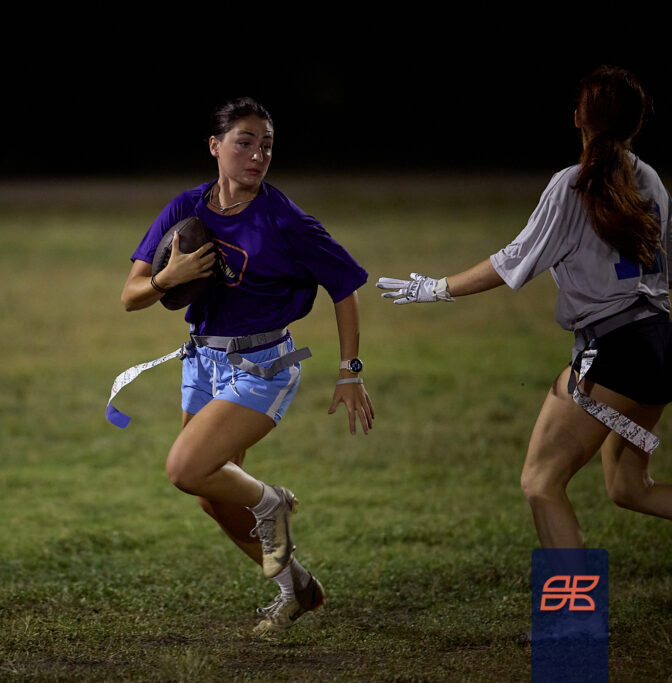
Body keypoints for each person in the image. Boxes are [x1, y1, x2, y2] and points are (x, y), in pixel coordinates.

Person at [377, 65, 672, 548]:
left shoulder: (573, 184)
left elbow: (512, 262)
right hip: (658, 348)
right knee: (629, 488)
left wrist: (435, 288)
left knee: (541, 482)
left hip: (615, 354)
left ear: (579, 117)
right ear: (636, 124)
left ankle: (573, 603)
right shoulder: (652, 180)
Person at [120, 97, 374, 634]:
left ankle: (270, 500)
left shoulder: (285, 220)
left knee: (185, 470)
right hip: (201, 361)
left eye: (266, 145)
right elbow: (132, 295)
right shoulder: (186, 208)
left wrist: (349, 370)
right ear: (215, 146)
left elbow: (345, 285)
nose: (257, 155)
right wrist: (170, 277)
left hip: (263, 365)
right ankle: (296, 587)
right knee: (212, 497)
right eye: (244, 143)